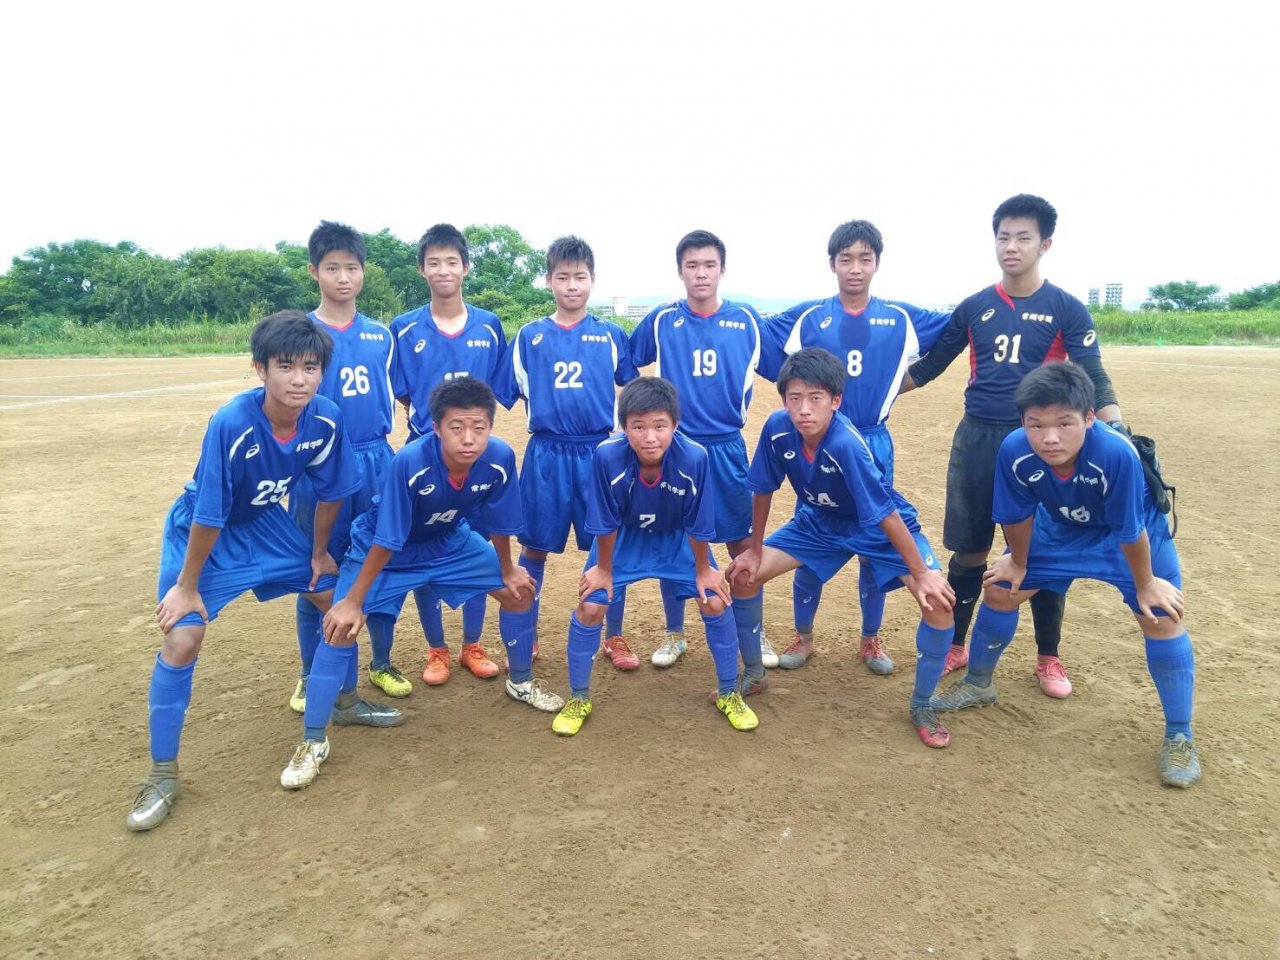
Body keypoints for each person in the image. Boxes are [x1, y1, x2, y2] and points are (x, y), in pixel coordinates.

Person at [126, 311, 386, 832]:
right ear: (260, 368)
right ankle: (162, 776)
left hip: (268, 525)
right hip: (205, 534)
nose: (298, 379)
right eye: (285, 366)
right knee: (183, 638)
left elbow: (332, 491)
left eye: (310, 367)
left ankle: (344, 700)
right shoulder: (232, 421)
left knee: (335, 602)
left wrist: (318, 553)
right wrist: (187, 586)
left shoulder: (326, 419)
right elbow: (210, 512)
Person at [282, 378, 562, 790]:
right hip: (385, 550)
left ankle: (520, 681)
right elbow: (387, 539)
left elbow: (501, 522)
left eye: (479, 427)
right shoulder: (411, 461)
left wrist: (506, 569)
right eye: (456, 428)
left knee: (518, 593)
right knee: (340, 626)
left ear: (491, 426)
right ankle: (312, 742)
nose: (469, 439)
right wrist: (353, 601)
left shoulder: (500, 457)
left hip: (449, 542)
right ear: (436, 427)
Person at [930, 363, 1199, 787]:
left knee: (1161, 616)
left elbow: (1130, 531)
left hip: (1128, 537)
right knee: (1001, 589)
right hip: (1060, 528)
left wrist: (1146, 584)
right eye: (1036, 425)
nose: (1049, 437)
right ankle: (979, 684)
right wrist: (1019, 562)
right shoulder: (1015, 450)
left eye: (1064, 423)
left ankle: (1179, 735)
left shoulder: (1115, 453)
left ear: (1089, 418)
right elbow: (1016, 515)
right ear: (1022, 421)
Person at [901, 194, 1125, 698]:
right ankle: (956, 643)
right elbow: (930, 366)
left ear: (1045, 244)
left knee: (1040, 551)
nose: (1011, 246)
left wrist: (1119, 430)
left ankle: (1048, 656)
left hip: (1039, 443)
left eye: (1023, 237)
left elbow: (1093, 375)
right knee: (970, 548)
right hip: (977, 438)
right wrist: (874, 397)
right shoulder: (975, 307)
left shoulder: (1066, 308)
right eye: (1003, 236)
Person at [725, 348, 957, 748]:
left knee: (938, 603)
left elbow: (884, 513)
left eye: (815, 398)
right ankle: (755, 675)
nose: (804, 409)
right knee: (744, 576)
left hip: (878, 527)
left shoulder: (846, 443)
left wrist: (922, 573)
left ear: (836, 400)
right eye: (795, 398)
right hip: (818, 522)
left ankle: (922, 704)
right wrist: (755, 550)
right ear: (783, 400)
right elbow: (762, 489)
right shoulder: (777, 428)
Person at [759, 220, 950, 676]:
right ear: (832, 264)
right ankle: (804, 636)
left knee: (875, 540)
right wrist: (800, 399)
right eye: (846, 259)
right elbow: (759, 340)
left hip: (872, 438)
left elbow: (956, 332)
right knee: (812, 535)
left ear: (877, 263)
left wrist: (906, 382)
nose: (855, 268)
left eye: (865, 259)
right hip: (816, 435)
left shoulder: (900, 317)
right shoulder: (809, 317)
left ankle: (870, 638)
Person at [550, 377, 746, 736]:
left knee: (715, 600)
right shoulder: (607, 456)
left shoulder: (695, 457)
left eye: (660, 426)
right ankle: (578, 697)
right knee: (591, 605)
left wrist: (704, 569)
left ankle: (729, 692)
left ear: (675, 424)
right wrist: (604, 569)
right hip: (625, 538)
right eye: (638, 426)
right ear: (624, 427)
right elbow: (605, 519)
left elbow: (698, 521)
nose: (650, 437)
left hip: (676, 537)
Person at [625, 229, 772, 669]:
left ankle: (754, 632)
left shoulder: (746, 320)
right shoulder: (661, 320)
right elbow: (628, 362)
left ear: (722, 270)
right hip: (676, 449)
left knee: (740, 540)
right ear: (680, 272)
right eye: (692, 265)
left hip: (727, 447)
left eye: (709, 265)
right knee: (675, 537)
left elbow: (781, 368)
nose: (701, 273)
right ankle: (674, 633)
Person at [494, 236, 636, 667]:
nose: (571, 285)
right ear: (549, 281)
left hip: (600, 454)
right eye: (562, 277)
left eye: (579, 276)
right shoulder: (529, 337)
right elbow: (505, 393)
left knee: (608, 547)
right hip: (546, 456)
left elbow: (631, 390)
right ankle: (527, 635)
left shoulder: (610, 335)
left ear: (593, 280)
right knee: (533, 548)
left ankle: (613, 635)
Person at [288, 221, 406, 713]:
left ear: (363, 272)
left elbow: (399, 393)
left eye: (351, 268)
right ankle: (309, 671)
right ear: (313, 271)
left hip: (376, 458)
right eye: (332, 268)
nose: (342, 277)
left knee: (380, 563)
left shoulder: (382, 335)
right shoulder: (300, 334)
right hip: (319, 463)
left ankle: (381, 662)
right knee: (317, 570)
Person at [390, 224, 508, 687]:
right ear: (422, 269)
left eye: (452, 261)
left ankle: (472, 645)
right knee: (424, 550)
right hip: (425, 455)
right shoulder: (404, 328)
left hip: (475, 456)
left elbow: (494, 393)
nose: (443, 270)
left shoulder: (489, 325)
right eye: (434, 262)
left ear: (466, 267)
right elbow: (404, 393)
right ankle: (435, 648)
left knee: (479, 548)